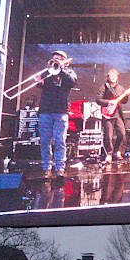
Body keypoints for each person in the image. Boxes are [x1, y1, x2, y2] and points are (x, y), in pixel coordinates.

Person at [37, 50, 78, 179]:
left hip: (60, 111)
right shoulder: (47, 72)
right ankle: (46, 168)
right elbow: (40, 84)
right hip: (45, 110)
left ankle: (60, 168)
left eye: (59, 59)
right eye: (54, 58)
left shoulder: (69, 72)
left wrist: (61, 69)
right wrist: (39, 82)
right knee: (45, 141)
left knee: (60, 141)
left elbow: (72, 82)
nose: (55, 60)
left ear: (64, 61)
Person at [97, 68, 128, 162]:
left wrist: (126, 95)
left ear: (117, 77)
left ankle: (116, 151)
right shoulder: (104, 87)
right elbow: (98, 100)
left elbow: (125, 101)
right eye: (111, 75)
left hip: (118, 114)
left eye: (115, 75)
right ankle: (109, 154)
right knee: (108, 136)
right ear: (108, 77)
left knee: (122, 134)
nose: (113, 77)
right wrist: (109, 102)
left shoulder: (121, 88)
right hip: (108, 115)